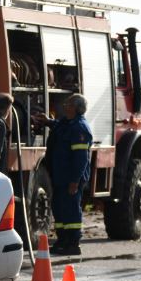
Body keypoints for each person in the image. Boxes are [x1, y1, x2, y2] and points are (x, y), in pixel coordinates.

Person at [38, 94, 93, 255]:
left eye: (68, 103)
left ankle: (73, 243)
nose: (65, 105)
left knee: (70, 210)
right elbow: (59, 127)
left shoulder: (80, 128)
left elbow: (81, 159)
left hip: (71, 178)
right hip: (60, 176)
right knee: (59, 208)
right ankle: (62, 240)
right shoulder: (67, 123)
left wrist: (75, 181)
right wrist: (48, 121)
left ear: (76, 108)